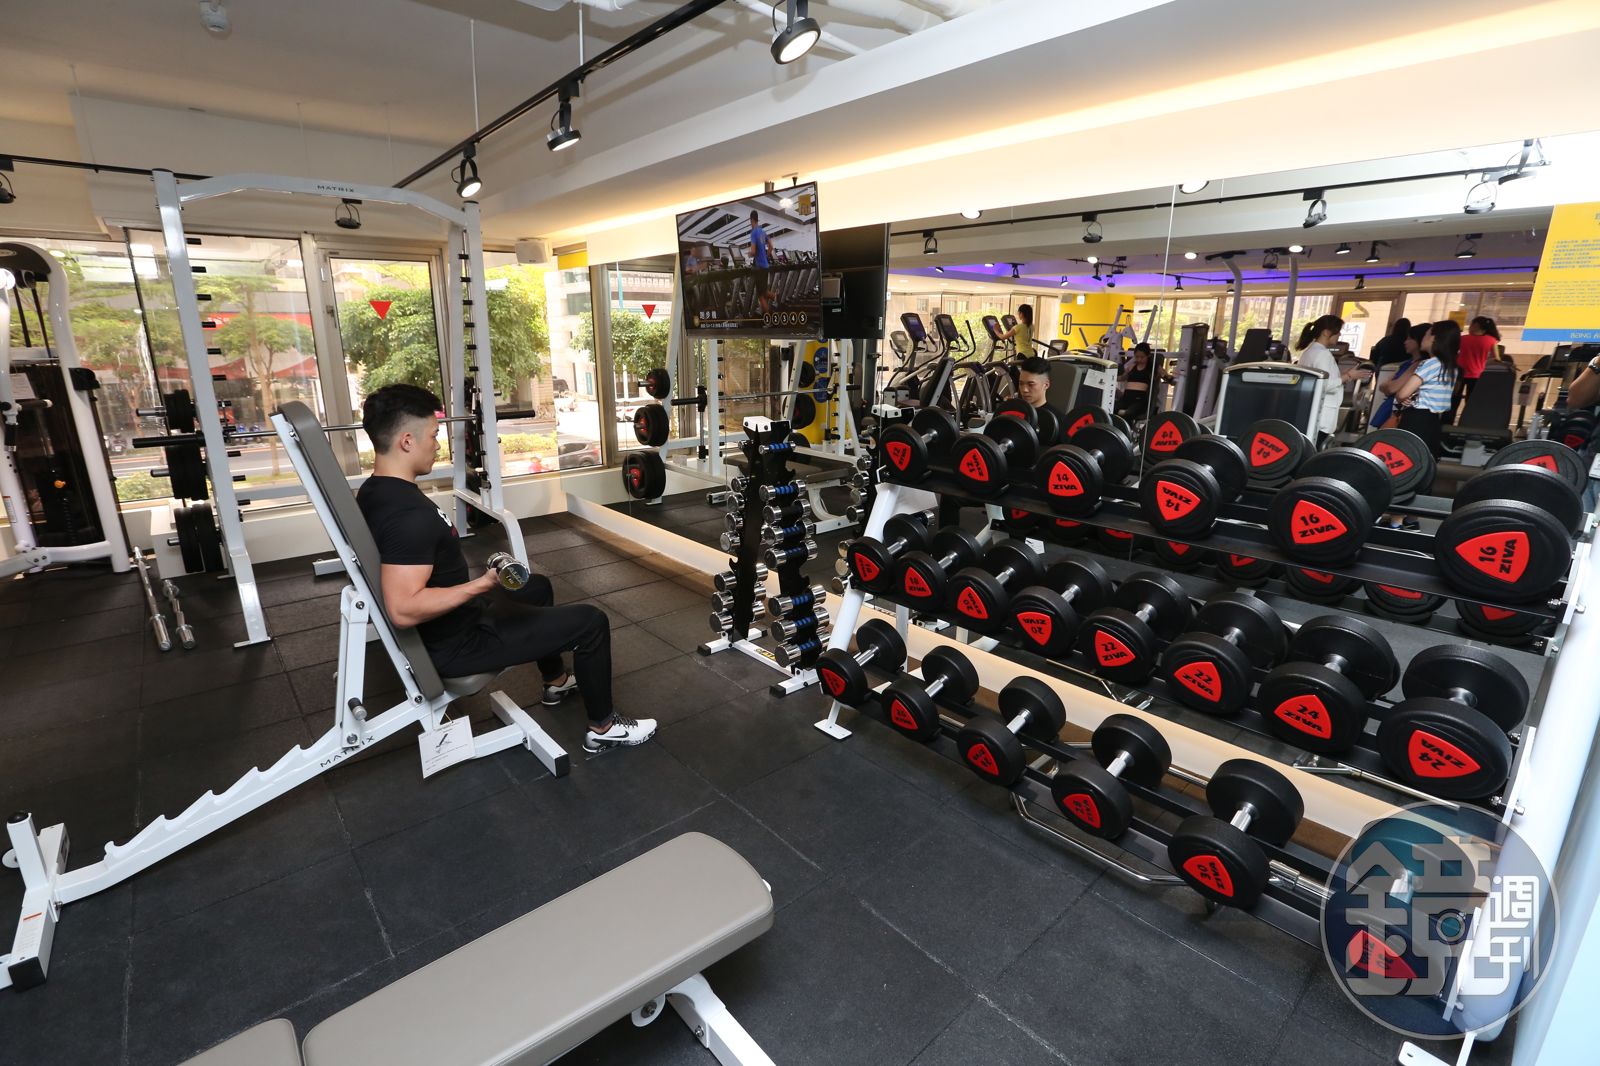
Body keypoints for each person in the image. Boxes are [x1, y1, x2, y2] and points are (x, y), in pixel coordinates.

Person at [355, 384, 655, 753]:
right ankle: (604, 728)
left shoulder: (375, 491)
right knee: (591, 623)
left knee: (538, 587)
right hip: (457, 643)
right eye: (433, 436)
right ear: (406, 441)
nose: (438, 445)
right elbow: (403, 609)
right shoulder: (407, 516)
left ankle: (556, 680)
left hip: (455, 621)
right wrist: (481, 585)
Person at [1390, 320, 1460, 462]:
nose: (1423, 338)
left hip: (1416, 419)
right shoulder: (1451, 367)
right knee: (1424, 461)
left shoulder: (1430, 363)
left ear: (1434, 338)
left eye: (1427, 334)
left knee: (1406, 459)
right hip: (1434, 422)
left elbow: (1402, 394)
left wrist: (1402, 396)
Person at [1294, 314, 1367, 445]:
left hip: (1311, 412)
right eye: (1337, 332)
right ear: (1326, 332)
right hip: (1322, 416)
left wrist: (1343, 375)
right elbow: (1325, 385)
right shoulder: (1323, 354)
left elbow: (1319, 379)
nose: (1339, 335)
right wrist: (1349, 376)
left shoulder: (1309, 352)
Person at [1371, 322, 1430, 429]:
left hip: (1399, 413)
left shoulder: (1417, 365)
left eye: (1409, 339)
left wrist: (1390, 385)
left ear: (1418, 341)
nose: (1405, 342)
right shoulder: (1408, 363)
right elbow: (1384, 386)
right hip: (1392, 409)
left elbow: (1390, 388)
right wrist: (1389, 386)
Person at [1451, 315, 1500, 422]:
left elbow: (1452, 353)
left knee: (1454, 400)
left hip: (1459, 375)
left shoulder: (1462, 339)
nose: (1469, 327)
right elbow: (1496, 359)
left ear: (1476, 325)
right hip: (1477, 375)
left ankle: (1448, 422)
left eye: (1471, 324)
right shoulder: (1491, 340)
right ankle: (1467, 422)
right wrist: (1483, 360)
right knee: (1471, 402)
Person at [1115, 342, 1158, 420]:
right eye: (1137, 357)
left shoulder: (1152, 367)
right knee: (1111, 408)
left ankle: (1126, 424)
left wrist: (1169, 378)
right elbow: (1122, 378)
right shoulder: (1131, 366)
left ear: (1148, 356)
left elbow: (1165, 375)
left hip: (1139, 401)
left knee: (1129, 413)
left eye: (1142, 357)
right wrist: (1110, 377)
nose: (1139, 359)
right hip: (1126, 398)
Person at [748, 211, 774, 317]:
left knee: (761, 295)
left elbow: (753, 252)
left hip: (759, 267)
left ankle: (769, 319)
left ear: (751, 220)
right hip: (766, 266)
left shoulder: (753, 233)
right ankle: (776, 297)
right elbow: (771, 246)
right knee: (764, 292)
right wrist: (766, 256)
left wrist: (749, 254)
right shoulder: (763, 231)